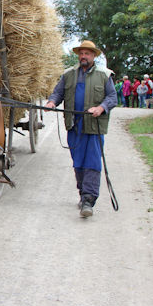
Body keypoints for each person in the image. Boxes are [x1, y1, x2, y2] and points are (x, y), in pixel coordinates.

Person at [44, 40, 117, 218]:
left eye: (87, 53)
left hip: (93, 126)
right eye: (81, 53)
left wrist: (100, 108)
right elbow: (58, 92)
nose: (84, 56)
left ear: (94, 56)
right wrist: (52, 102)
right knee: (78, 163)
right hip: (74, 125)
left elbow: (112, 98)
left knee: (92, 162)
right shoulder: (69, 74)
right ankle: (83, 193)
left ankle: (89, 200)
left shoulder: (104, 75)